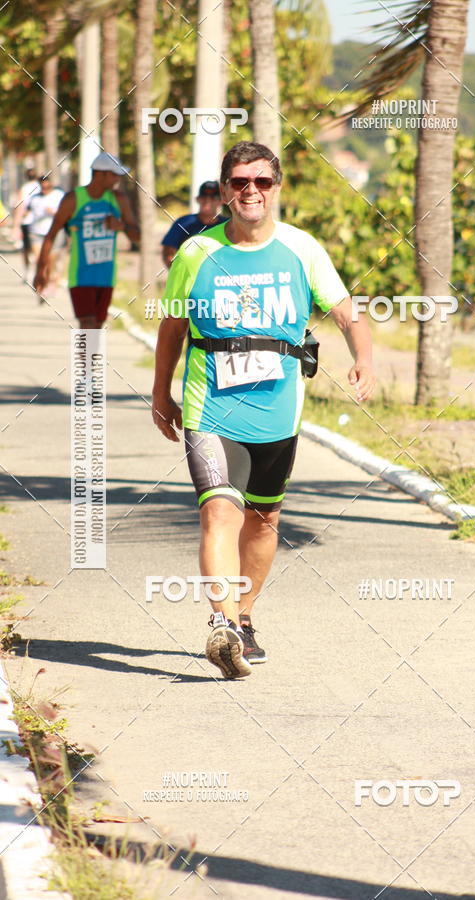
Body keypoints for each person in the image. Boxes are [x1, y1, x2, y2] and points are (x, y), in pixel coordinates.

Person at [152, 141, 375, 679]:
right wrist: (161, 391)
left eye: (262, 182)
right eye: (239, 181)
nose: (250, 191)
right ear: (225, 189)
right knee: (218, 510)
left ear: (276, 188)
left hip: (278, 410)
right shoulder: (196, 253)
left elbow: (346, 313)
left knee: (264, 517)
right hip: (212, 406)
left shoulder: (302, 249)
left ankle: (244, 618)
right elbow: (173, 326)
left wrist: (364, 358)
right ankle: (221, 624)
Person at [33, 152, 140, 328]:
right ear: (100, 174)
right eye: (114, 175)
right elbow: (51, 235)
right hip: (81, 276)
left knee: (97, 326)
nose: (117, 180)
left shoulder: (118, 199)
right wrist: (41, 270)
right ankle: (84, 356)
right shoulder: (73, 199)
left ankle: (89, 357)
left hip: (107, 276)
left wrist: (121, 227)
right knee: (87, 324)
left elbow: (138, 236)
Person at [160, 180, 228, 269]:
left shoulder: (228, 224)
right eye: (204, 196)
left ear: (221, 201)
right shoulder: (183, 222)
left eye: (213, 197)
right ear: (197, 199)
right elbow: (168, 252)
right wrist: (179, 273)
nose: (207, 200)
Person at [27, 176, 64, 298]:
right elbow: (26, 212)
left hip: (54, 232)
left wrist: (54, 213)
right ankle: (41, 284)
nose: (45, 190)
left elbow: (67, 213)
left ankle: (49, 282)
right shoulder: (34, 198)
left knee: (50, 261)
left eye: (47, 187)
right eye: (42, 187)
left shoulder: (59, 195)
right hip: (37, 232)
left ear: (52, 185)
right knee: (40, 260)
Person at [12, 168, 40, 281]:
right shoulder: (41, 187)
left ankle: (28, 271)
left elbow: (19, 207)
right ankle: (34, 271)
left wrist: (16, 225)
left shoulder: (24, 188)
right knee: (36, 249)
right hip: (37, 223)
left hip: (27, 222)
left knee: (26, 249)